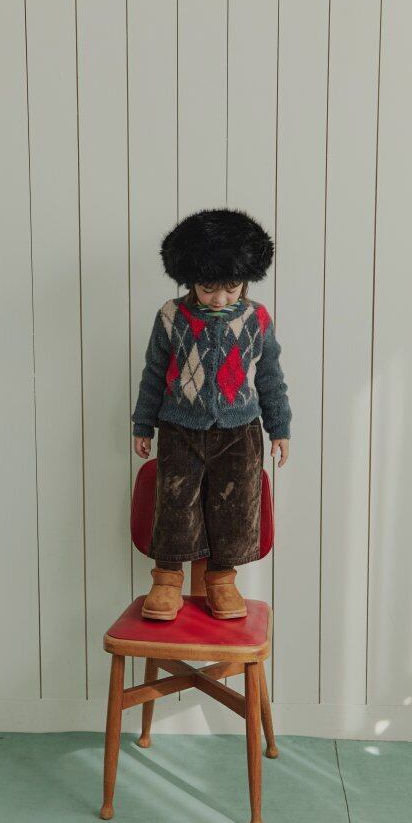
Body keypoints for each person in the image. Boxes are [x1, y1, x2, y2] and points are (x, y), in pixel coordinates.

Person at [131, 208, 292, 622]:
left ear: (246, 280)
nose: (220, 299)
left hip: (240, 431)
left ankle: (222, 578)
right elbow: (153, 373)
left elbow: (270, 376)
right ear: (190, 280)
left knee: (236, 505)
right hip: (180, 427)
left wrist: (279, 428)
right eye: (208, 289)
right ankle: (167, 579)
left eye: (231, 288)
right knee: (174, 500)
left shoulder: (257, 319)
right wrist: (143, 423)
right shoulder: (171, 316)